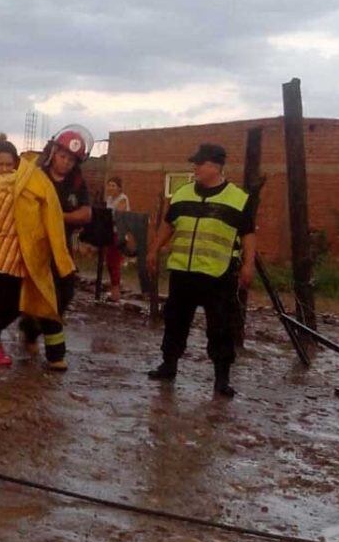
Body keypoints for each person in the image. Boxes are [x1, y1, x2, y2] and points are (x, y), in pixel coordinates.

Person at [146, 143, 256, 397]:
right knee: (175, 321)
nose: (194, 167)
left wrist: (248, 265)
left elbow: (248, 235)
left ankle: (221, 378)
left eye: (200, 163)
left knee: (220, 326)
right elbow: (168, 225)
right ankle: (169, 364)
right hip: (183, 273)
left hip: (218, 275)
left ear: (215, 166)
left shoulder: (238, 199)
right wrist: (153, 250)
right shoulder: (182, 194)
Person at [0, 136, 75, 366]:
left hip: (14, 258)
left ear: (16, 164)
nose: (4, 170)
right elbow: (2, 202)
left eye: (9, 165)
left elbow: (47, 213)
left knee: (16, 302)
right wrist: (29, 182)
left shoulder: (32, 182)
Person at [19, 126, 93, 370]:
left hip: (62, 251)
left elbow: (85, 213)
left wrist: (58, 217)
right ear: (53, 153)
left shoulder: (77, 183)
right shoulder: (36, 177)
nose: (66, 163)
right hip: (35, 249)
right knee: (44, 295)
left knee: (65, 294)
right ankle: (55, 355)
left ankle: (31, 328)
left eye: (72, 160)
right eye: (63, 156)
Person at [104, 176, 130, 302]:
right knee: (109, 262)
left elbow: (117, 215)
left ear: (119, 187)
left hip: (118, 234)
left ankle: (116, 294)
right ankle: (114, 290)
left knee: (115, 263)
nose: (110, 188)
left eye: (113, 185)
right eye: (109, 185)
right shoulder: (109, 199)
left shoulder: (122, 199)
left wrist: (107, 219)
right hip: (109, 233)